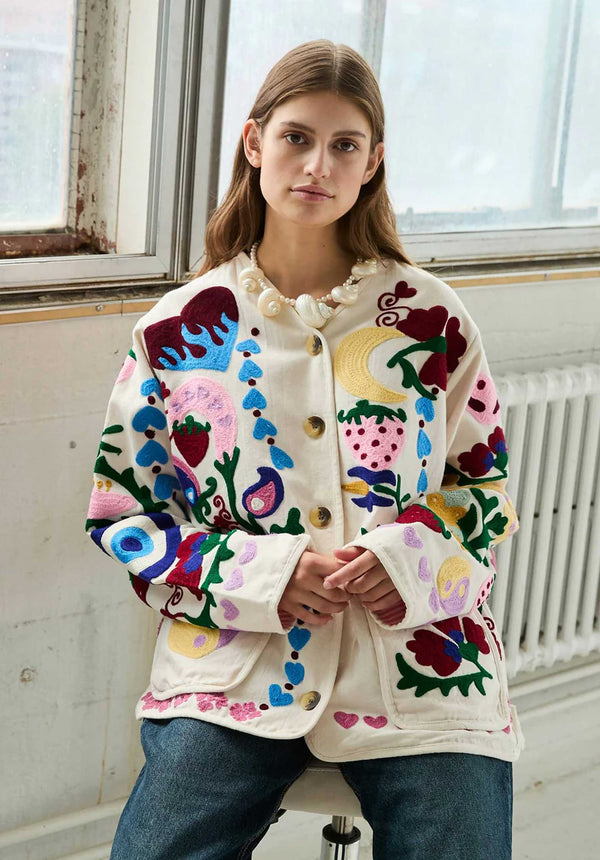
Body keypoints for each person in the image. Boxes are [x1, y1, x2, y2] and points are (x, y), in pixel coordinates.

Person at [86, 39, 522, 860]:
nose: (319, 165)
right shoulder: (177, 330)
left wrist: (406, 559)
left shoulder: (431, 318)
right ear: (255, 143)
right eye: (297, 137)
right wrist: (266, 576)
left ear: (373, 162)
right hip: (235, 665)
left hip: (424, 663)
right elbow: (126, 516)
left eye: (345, 145)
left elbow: (485, 489)